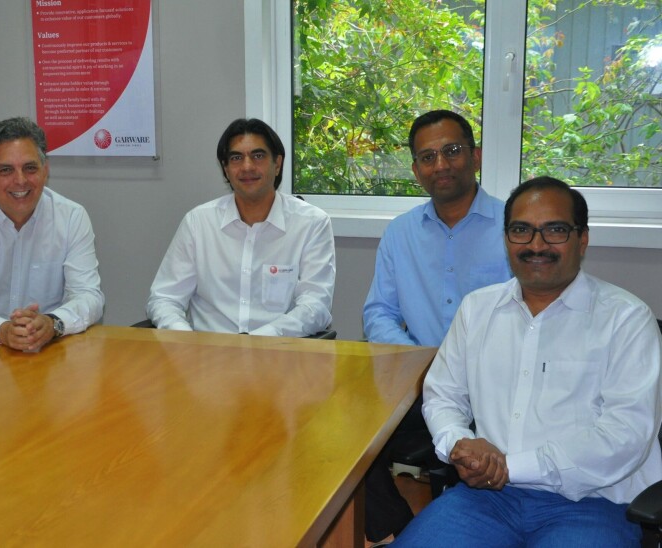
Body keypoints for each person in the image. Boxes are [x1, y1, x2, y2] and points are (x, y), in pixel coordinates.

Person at [393, 176, 662, 546]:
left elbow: (624, 437)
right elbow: (443, 395)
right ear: (506, 238)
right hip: (485, 500)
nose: (537, 244)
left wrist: (507, 466)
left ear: (581, 239)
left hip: (591, 503)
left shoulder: (626, 319)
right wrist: (459, 444)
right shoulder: (477, 309)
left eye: (554, 230)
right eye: (522, 230)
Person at [360, 110, 513, 543]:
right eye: (427, 157)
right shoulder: (400, 233)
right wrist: (420, 362)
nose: (440, 165)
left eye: (452, 151)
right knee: (342, 437)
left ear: (475, 155)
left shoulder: (513, 228)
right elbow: (379, 314)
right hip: (420, 382)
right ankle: (403, 531)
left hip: (495, 389)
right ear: (415, 170)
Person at [146, 118, 334, 336]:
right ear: (225, 169)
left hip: (279, 355)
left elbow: (316, 306)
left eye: (258, 155)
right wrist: (186, 339)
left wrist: (258, 341)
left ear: (278, 163)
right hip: (207, 357)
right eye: (236, 158)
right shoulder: (199, 222)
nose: (247, 166)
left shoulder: (311, 223)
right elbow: (164, 298)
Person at [0, 116, 103, 356]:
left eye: (30, 168)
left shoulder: (71, 217)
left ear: (45, 170)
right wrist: (3, 331)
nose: (20, 180)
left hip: (47, 350)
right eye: (6, 170)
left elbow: (89, 297)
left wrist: (53, 323)